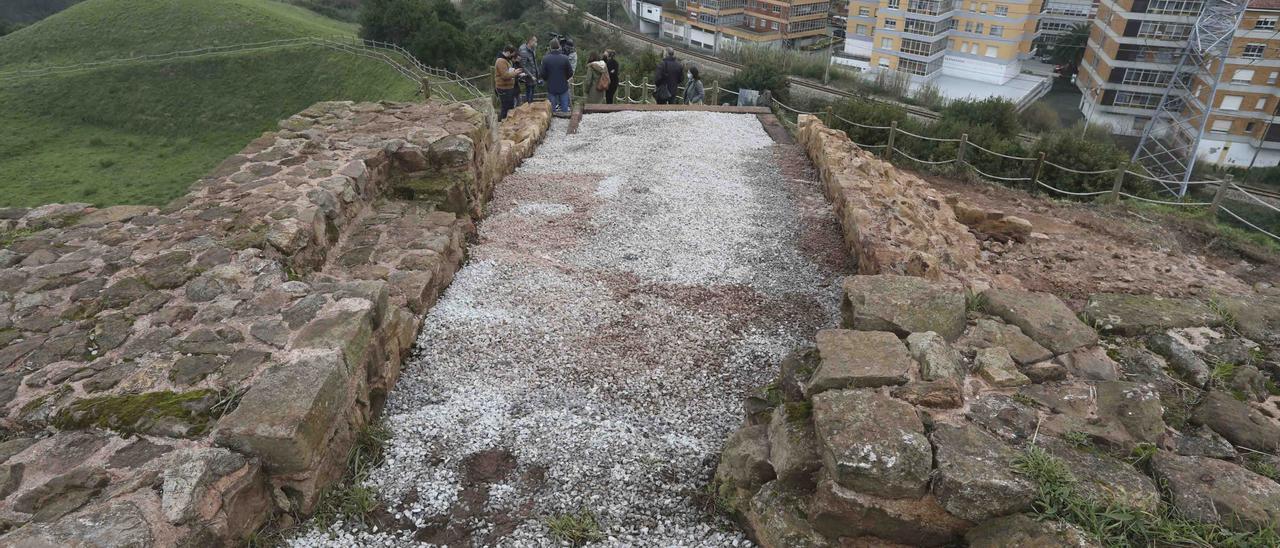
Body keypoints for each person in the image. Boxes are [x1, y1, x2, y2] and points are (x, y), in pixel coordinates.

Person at [541, 39, 574, 115]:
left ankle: (553, 124)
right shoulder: (565, 58)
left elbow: (542, 73)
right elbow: (570, 72)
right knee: (565, 109)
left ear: (550, 47)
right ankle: (565, 123)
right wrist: (565, 78)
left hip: (551, 86)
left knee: (552, 111)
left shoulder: (545, 59)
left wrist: (547, 79)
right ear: (559, 46)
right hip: (563, 86)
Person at [494, 45, 523, 120]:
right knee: (505, 107)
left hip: (508, 87)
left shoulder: (505, 60)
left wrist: (513, 72)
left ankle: (507, 122)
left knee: (510, 106)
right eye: (512, 54)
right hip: (503, 88)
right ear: (507, 52)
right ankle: (503, 122)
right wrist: (515, 73)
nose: (512, 56)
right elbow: (505, 75)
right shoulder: (501, 61)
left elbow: (507, 72)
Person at [517, 36, 539, 105]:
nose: (536, 43)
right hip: (528, 76)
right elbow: (523, 65)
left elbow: (534, 62)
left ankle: (531, 106)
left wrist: (537, 73)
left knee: (532, 92)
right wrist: (531, 75)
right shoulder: (523, 51)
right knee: (529, 93)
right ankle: (528, 107)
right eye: (535, 41)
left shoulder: (533, 49)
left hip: (534, 74)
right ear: (530, 41)